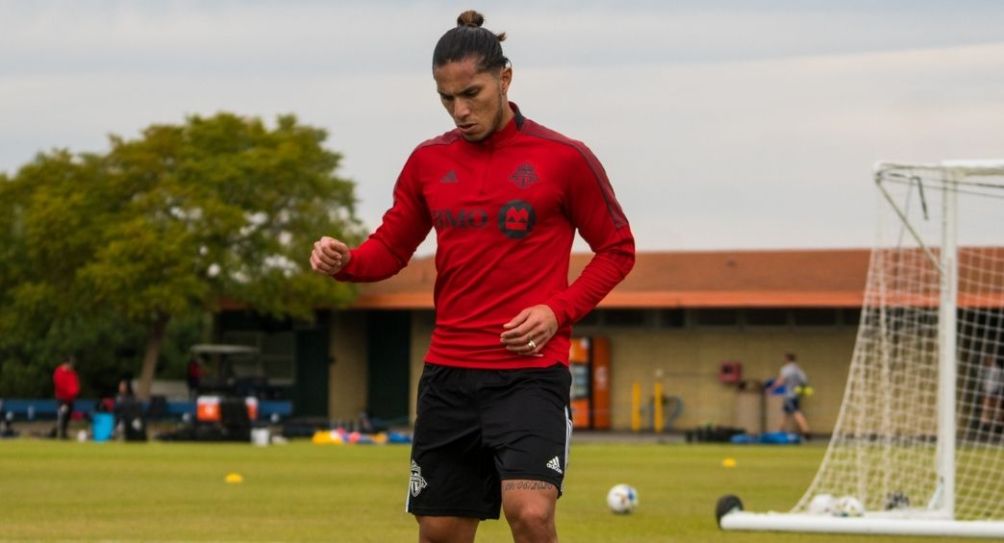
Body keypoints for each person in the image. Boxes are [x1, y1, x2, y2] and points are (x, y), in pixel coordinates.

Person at [310, 10, 634, 543]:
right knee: (440, 532)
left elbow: (618, 249)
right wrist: (346, 263)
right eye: (446, 98)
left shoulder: (565, 158)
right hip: (449, 376)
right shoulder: (428, 162)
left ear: (505, 79)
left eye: (472, 93)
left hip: (530, 374)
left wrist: (558, 310)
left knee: (529, 512)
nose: (460, 110)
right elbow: (389, 250)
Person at [767, 353, 810, 439]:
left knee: (796, 412)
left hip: (789, 395)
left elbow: (781, 380)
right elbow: (805, 381)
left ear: (787, 359)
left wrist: (771, 388)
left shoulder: (786, 369)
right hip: (796, 394)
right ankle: (780, 431)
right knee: (785, 413)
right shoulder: (798, 369)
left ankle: (807, 431)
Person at [52, 356, 80, 439]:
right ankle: (60, 433)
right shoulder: (58, 372)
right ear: (66, 364)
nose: (72, 366)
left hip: (70, 399)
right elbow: (59, 386)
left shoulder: (72, 373)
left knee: (68, 416)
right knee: (63, 415)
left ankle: (63, 432)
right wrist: (70, 391)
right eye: (71, 364)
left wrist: (75, 392)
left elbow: (76, 384)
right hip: (62, 399)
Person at [978, 354, 1002, 434]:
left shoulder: (997, 370)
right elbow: (982, 380)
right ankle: (985, 423)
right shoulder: (984, 369)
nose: (987, 361)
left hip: (996, 391)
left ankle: (997, 424)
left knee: (996, 409)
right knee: (986, 408)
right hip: (986, 391)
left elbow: (999, 381)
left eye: (988, 359)